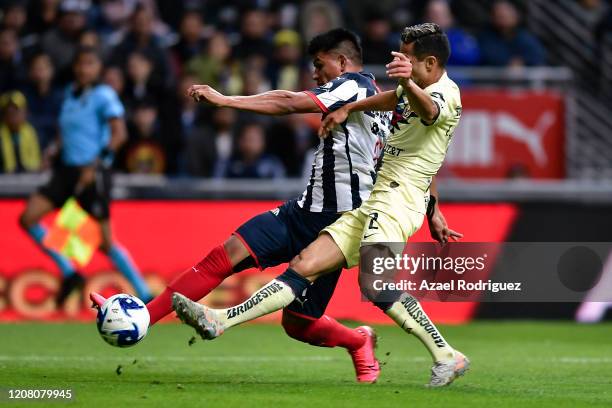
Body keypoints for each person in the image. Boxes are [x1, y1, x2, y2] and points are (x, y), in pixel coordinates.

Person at [93, 28, 458, 384]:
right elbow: (416, 158)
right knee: (222, 258)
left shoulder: (355, 85)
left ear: (342, 61)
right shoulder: (386, 103)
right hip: (302, 211)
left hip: (338, 222)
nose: (315, 74)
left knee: (298, 324)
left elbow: (289, 102)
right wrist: (433, 210)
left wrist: (226, 100)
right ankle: (143, 319)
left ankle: (359, 339)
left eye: (319, 64)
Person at [18, 47, 153, 306]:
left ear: (98, 68)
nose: (83, 69)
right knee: (28, 218)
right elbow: (66, 131)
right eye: (80, 63)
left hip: (93, 173)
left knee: (104, 243)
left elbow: (119, 135)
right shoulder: (69, 94)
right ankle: (70, 272)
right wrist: (53, 150)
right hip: (67, 171)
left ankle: (145, 293)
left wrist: (98, 164)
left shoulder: (104, 95)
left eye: (89, 63)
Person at [0, 91, 42, 174]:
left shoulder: (30, 132)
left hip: (28, 177)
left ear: (25, 112)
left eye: (16, 111)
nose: (12, 116)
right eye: (8, 112)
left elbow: (36, 161)